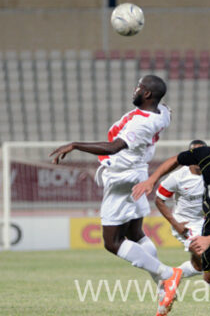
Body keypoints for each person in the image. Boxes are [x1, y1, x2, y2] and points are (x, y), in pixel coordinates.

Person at [49, 75, 182, 313]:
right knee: (134, 232)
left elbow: (114, 147)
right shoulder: (162, 112)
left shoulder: (141, 124)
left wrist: (75, 145)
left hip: (123, 179)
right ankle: (163, 287)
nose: (135, 90)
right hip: (137, 173)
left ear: (148, 94)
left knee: (112, 242)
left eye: (139, 87)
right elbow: (165, 108)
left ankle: (168, 274)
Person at [133, 124, 210, 316]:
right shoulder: (205, 156)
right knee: (208, 277)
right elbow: (176, 159)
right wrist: (153, 179)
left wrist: (208, 240)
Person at [155, 139, 210, 311]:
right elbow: (159, 200)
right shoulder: (178, 178)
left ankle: (169, 277)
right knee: (206, 256)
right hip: (184, 224)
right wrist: (176, 223)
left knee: (200, 265)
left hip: (205, 222)